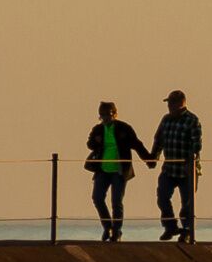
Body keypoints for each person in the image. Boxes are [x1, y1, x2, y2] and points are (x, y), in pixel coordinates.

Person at [83, 101, 146, 241]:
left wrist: (149, 160)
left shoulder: (124, 128)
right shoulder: (98, 129)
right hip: (102, 170)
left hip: (119, 171)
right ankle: (107, 227)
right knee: (97, 198)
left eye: (108, 115)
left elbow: (136, 144)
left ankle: (117, 231)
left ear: (115, 114)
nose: (105, 118)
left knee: (116, 201)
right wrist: (96, 141)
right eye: (102, 116)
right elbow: (89, 144)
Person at [150, 89, 204, 241]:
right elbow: (159, 139)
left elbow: (197, 144)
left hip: (187, 170)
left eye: (171, 103)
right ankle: (170, 227)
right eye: (168, 103)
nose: (169, 106)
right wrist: (154, 157)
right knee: (162, 198)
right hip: (169, 169)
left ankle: (187, 231)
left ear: (180, 103)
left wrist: (190, 160)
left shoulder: (192, 120)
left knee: (187, 203)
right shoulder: (166, 119)